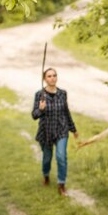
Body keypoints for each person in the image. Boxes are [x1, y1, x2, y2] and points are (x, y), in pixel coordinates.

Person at [31, 67, 78, 196]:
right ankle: (46, 175)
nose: (52, 78)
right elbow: (34, 116)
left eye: (54, 75)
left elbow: (66, 111)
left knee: (61, 157)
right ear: (44, 79)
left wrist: (72, 128)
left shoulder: (63, 93)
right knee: (47, 158)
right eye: (49, 76)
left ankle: (61, 184)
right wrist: (40, 109)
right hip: (45, 131)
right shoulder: (39, 95)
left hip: (61, 130)